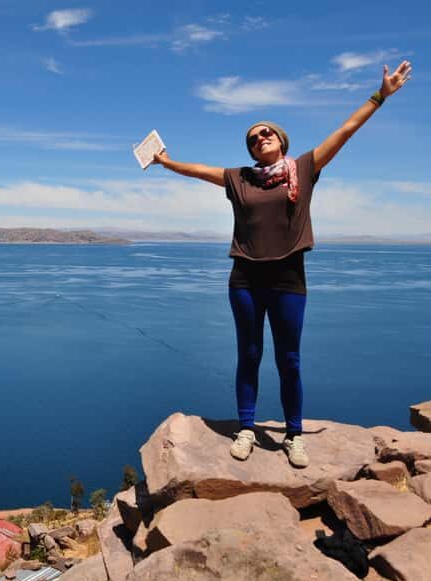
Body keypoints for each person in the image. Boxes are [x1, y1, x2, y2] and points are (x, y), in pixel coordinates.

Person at [152, 60, 412, 468]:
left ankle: (294, 434)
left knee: (289, 360)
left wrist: (380, 95)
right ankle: (246, 428)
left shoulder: (304, 169)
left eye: (266, 132)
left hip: (289, 277)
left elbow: (344, 131)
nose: (260, 138)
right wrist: (166, 163)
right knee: (249, 354)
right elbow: (200, 171)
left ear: (282, 141)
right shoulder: (240, 179)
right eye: (254, 138)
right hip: (245, 278)